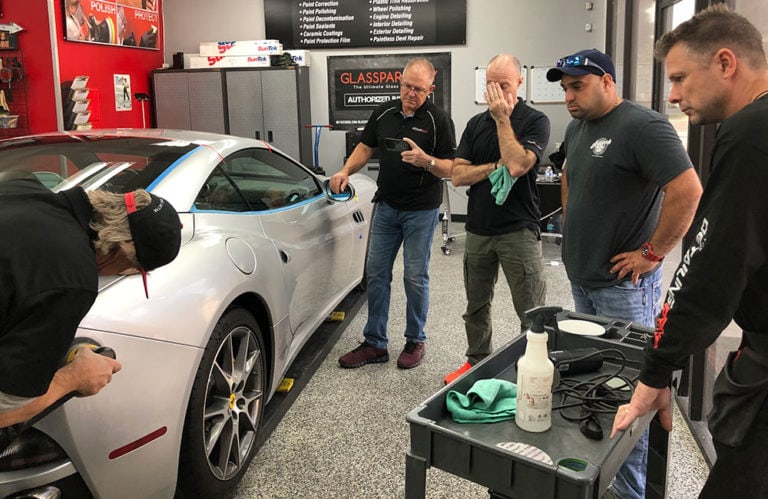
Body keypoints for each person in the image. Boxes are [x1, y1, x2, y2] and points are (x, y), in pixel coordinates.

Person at [611, 5, 768, 498]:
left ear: (726, 63)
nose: (673, 95)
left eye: (679, 78)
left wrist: (658, 367)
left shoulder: (751, 132)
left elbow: (711, 265)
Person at [547, 49, 702, 498]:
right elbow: (570, 175)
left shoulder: (643, 126)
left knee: (631, 393)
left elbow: (688, 190)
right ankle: (604, 477)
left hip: (624, 288)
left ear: (608, 83)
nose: (569, 97)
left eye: (578, 87)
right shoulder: (578, 127)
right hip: (584, 278)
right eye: (565, 89)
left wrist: (652, 253)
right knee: (598, 382)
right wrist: (575, 221)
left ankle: (630, 491)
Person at [0, 170, 182, 429]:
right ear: (120, 250)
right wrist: (73, 378)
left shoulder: (20, 185)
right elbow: (5, 411)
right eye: (132, 268)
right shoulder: (73, 281)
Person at [332, 57, 456, 370]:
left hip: (421, 211)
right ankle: (375, 343)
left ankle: (415, 339)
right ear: (400, 83)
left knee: (414, 276)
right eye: (406, 86)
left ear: (431, 87)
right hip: (386, 206)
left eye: (418, 89)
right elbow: (365, 146)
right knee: (375, 274)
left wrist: (425, 160)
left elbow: (452, 168)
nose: (410, 93)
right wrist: (346, 169)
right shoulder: (384, 112)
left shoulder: (439, 120)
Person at [445, 54, 549, 384]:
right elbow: (457, 176)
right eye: (489, 84)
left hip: (518, 229)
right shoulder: (476, 124)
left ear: (520, 83)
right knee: (476, 306)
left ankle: (529, 371)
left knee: (531, 310)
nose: (495, 91)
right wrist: (492, 168)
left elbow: (518, 165)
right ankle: (476, 362)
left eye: (503, 84)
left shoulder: (535, 120)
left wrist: (503, 120)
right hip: (478, 229)